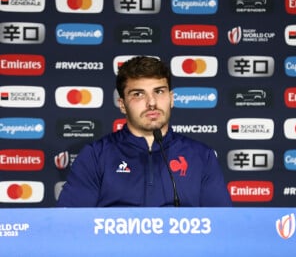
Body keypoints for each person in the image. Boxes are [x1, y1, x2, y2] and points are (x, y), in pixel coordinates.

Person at [57, 56, 232, 207]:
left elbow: (222, 227)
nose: (152, 102)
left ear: (171, 99)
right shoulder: (95, 156)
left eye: (159, 91)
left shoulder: (202, 156)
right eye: (138, 94)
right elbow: (71, 226)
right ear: (122, 105)